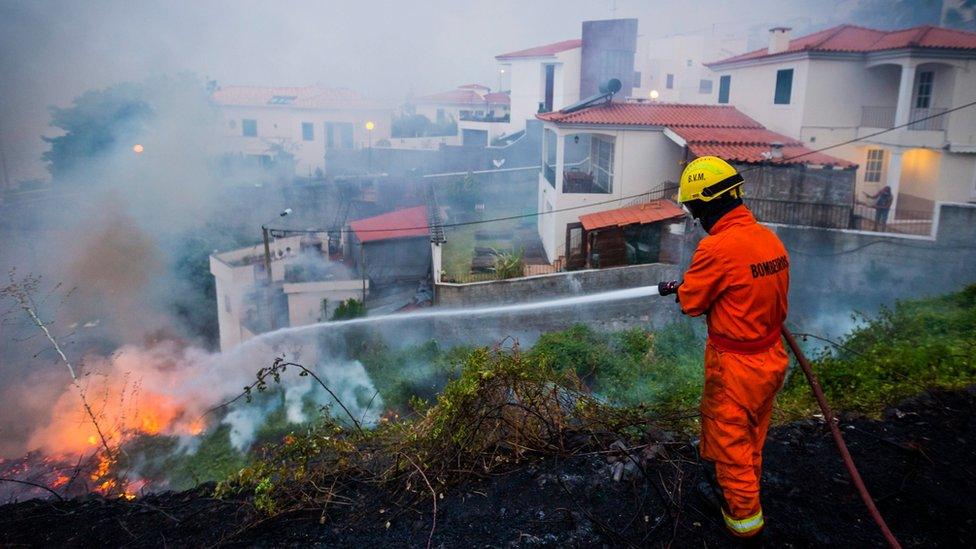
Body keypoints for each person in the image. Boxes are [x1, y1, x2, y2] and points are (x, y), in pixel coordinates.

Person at [657, 156, 790, 542]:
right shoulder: (768, 238)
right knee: (751, 439)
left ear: (708, 202)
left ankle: (745, 526)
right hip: (770, 359)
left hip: (735, 368)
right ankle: (745, 498)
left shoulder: (717, 248)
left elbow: (691, 304)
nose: (695, 217)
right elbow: (746, 291)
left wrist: (682, 289)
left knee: (729, 446)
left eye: (695, 208)